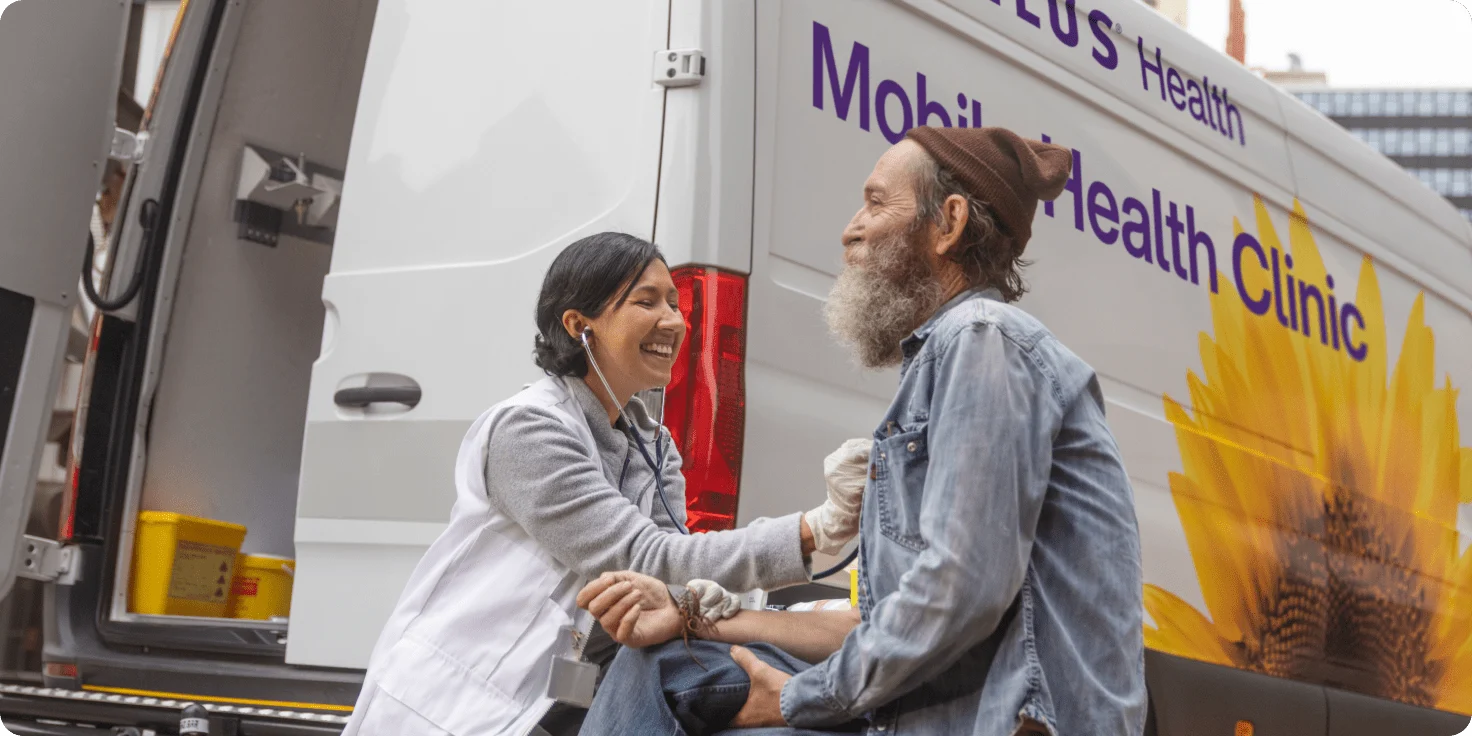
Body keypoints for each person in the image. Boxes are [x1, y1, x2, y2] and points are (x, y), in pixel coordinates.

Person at [573, 127, 1147, 735]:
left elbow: (962, 589)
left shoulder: (981, 339)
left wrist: (799, 697)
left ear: (947, 224)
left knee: (659, 673)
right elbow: (884, 627)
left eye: (876, 203)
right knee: (663, 660)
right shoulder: (953, 354)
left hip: (999, 721)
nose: (851, 229)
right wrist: (693, 616)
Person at [340, 232, 870, 736]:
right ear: (578, 324)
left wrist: (770, 610)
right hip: (462, 705)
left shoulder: (650, 441)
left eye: (675, 303)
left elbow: (672, 577)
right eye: (647, 303)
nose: (674, 322)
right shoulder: (531, 429)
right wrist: (816, 530)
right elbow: (643, 556)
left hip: (556, 702)